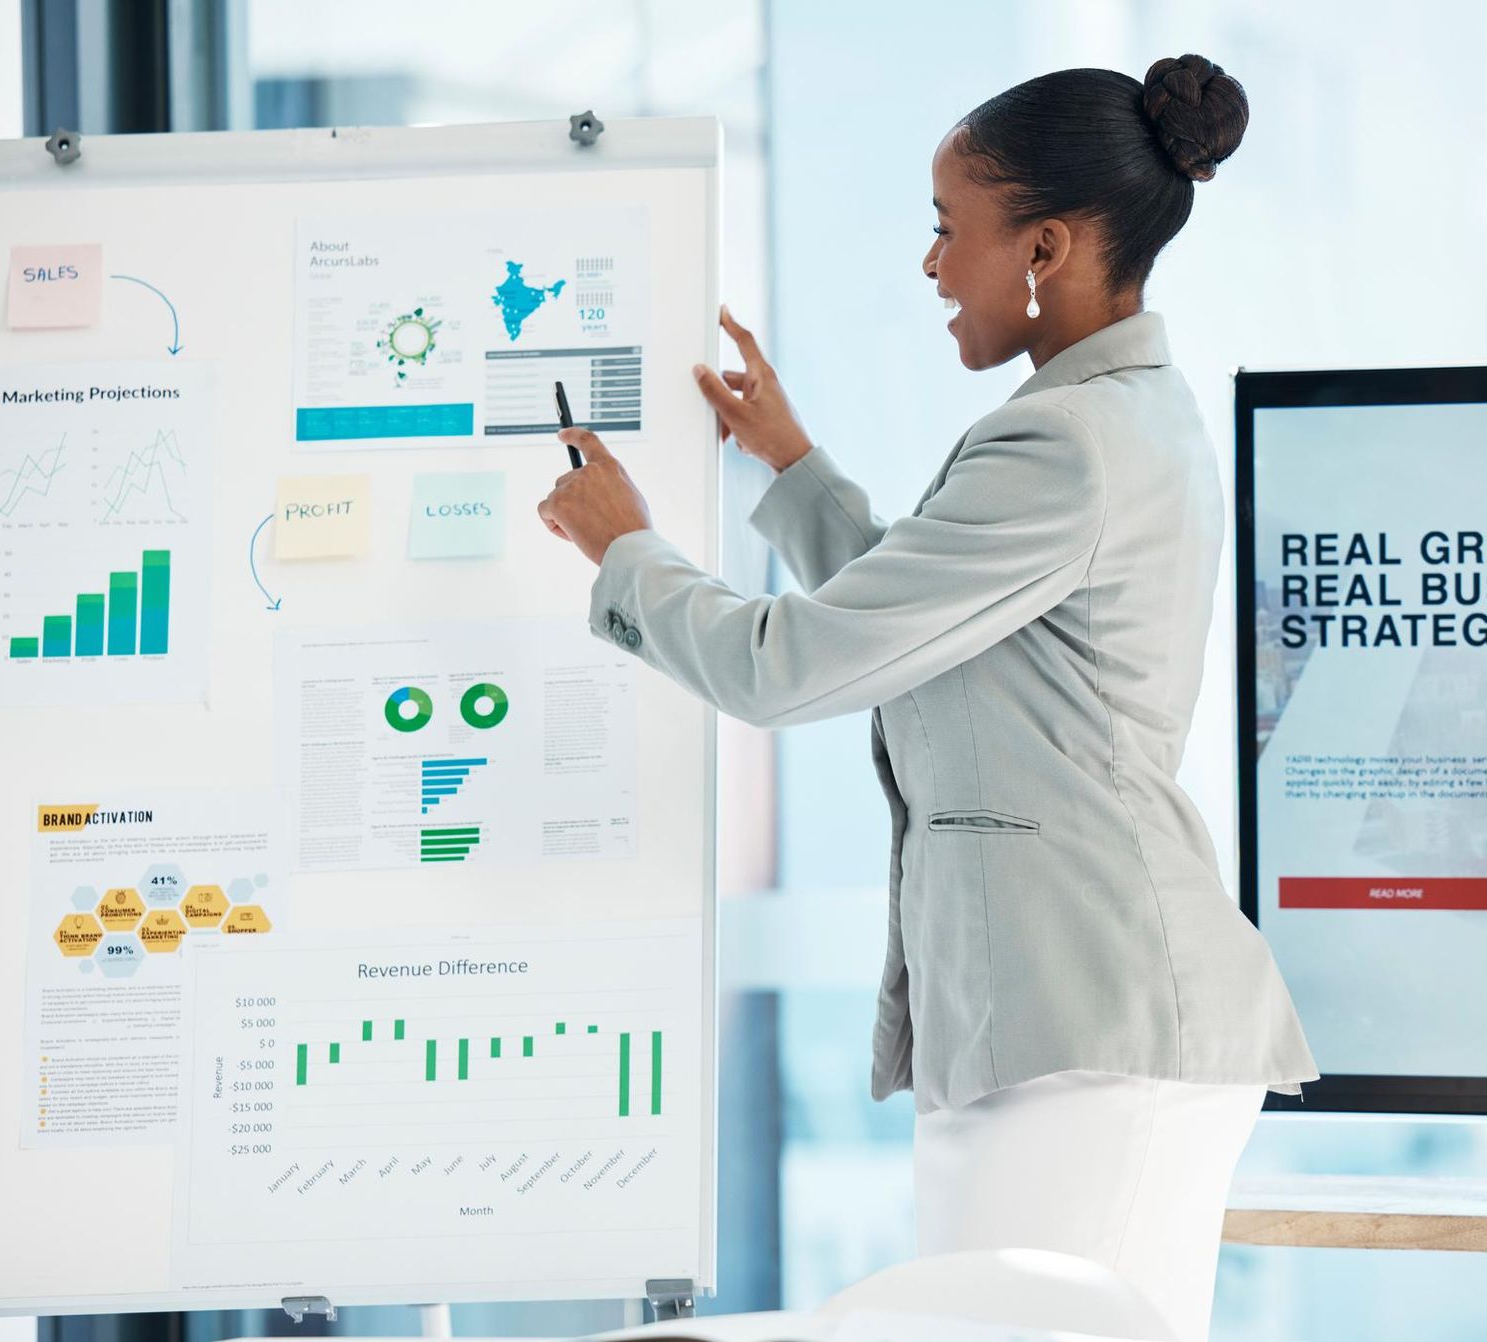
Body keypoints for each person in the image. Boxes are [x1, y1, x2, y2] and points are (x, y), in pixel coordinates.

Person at [538, 56, 1317, 1342]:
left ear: (1047, 247)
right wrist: (793, 468)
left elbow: (785, 667)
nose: (933, 264)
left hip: (1089, 1035)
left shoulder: (1065, 442)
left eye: (951, 229)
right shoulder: (1112, 418)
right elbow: (935, 635)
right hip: (1064, 1025)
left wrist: (631, 550)